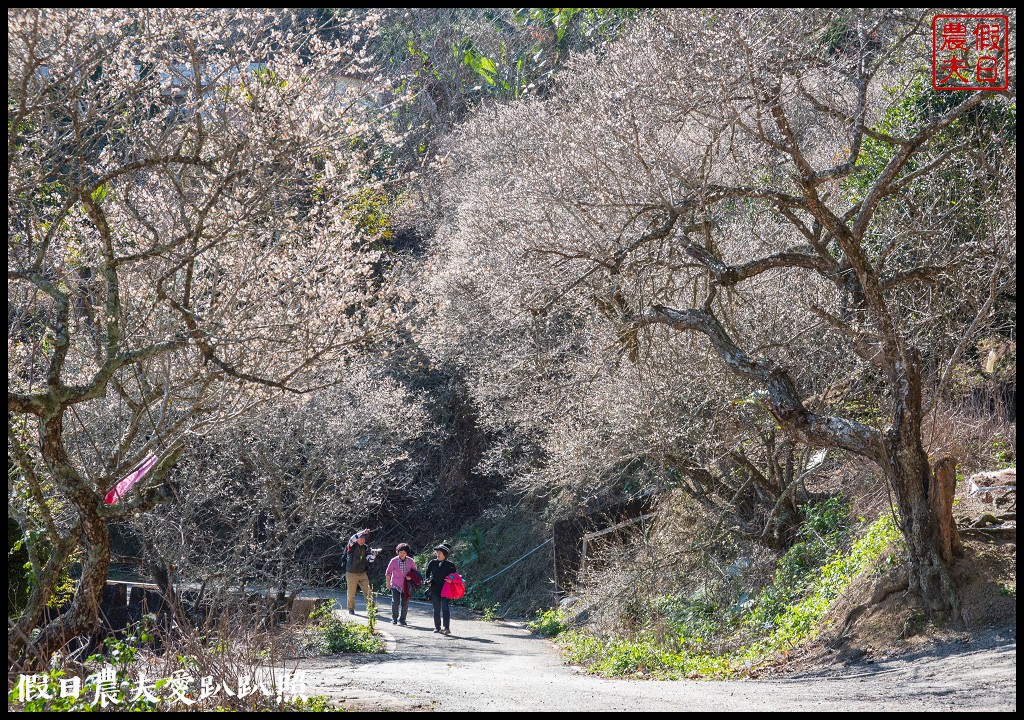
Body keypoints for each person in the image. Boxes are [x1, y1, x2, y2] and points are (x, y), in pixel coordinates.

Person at [424, 543, 457, 635]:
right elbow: (427, 572)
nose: (437, 554)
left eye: (440, 552)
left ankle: (446, 628)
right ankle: (437, 627)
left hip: (445, 590)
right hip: (434, 588)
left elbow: (455, 576)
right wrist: (427, 581)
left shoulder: (450, 565)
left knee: (445, 607)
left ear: (445, 554)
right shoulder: (432, 563)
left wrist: (451, 580)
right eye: (437, 552)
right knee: (436, 608)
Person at [384, 543, 418, 626]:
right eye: (400, 552)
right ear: (397, 552)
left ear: (407, 553)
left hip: (406, 585)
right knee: (395, 601)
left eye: (404, 553)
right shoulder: (394, 561)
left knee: (405, 602)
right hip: (395, 584)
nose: (402, 554)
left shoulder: (410, 561)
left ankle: (402, 620)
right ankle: (394, 618)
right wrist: (388, 583)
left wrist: (411, 577)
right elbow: (388, 573)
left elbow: (415, 572)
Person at [345, 528, 377, 615]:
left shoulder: (366, 547)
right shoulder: (351, 545)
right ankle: (351, 609)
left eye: (364, 538)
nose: (362, 540)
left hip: (362, 572)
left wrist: (373, 555)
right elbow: (352, 539)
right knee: (351, 592)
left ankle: (371, 608)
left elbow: (368, 560)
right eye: (361, 538)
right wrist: (362, 532)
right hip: (351, 573)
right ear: (358, 538)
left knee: (368, 591)